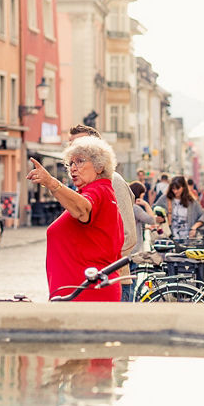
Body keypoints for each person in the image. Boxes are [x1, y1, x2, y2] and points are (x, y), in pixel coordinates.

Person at [27, 135, 123, 302]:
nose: (73, 168)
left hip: (87, 293)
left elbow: (82, 209)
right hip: (81, 291)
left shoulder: (98, 190)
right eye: (70, 163)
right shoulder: (99, 191)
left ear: (99, 166)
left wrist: (51, 182)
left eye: (79, 161)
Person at [68, 125, 137, 301]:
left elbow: (128, 235)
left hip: (111, 281)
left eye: (80, 144)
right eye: (70, 145)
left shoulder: (114, 182)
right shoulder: (84, 186)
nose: (72, 150)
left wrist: (101, 266)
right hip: (88, 280)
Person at [129, 181, 158, 249]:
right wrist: (146, 204)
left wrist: (145, 227)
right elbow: (151, 220)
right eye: (143, 194)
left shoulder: (128, 205)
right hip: (135, 246)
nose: (143, 195)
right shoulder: (135, 208)